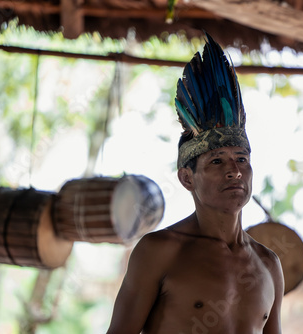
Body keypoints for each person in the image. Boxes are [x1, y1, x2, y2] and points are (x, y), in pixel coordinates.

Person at [106, 33, 284, 334]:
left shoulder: (268, 264)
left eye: (242, 159)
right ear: (187, 178)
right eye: (217, 161)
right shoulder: (159, 251)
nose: (235, 171)